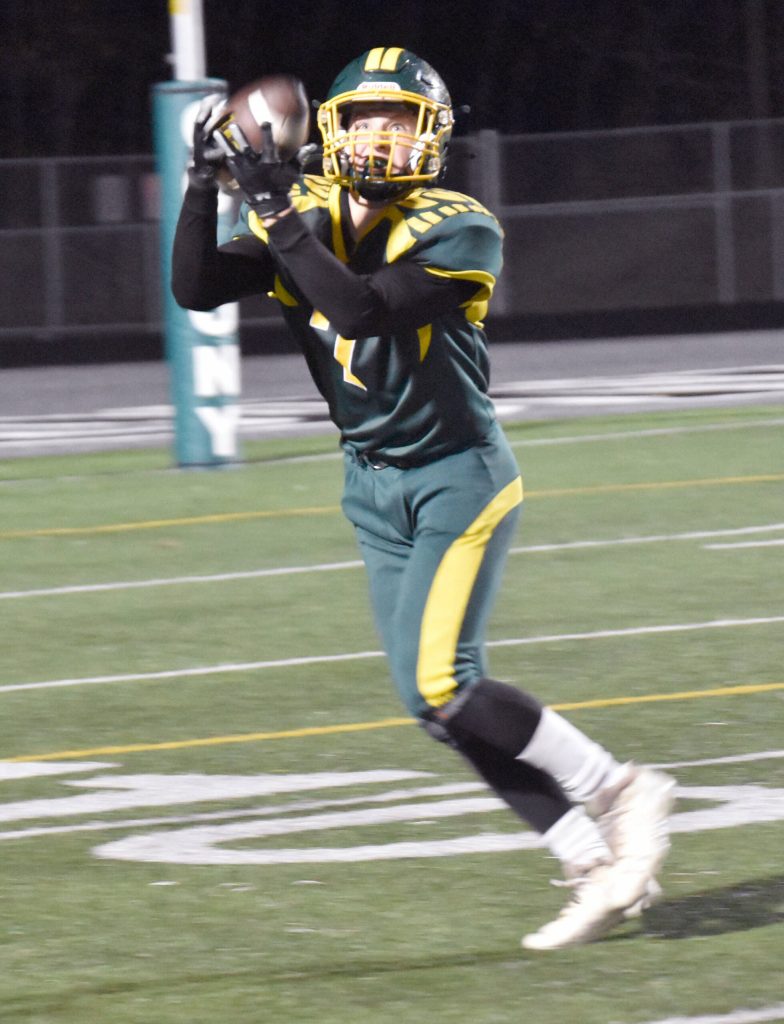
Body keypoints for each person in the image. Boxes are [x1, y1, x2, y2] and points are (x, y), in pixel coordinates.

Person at [172, 46, 676, 950]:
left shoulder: (459, 225)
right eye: (363, 118)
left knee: (448, 679)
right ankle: (590, 862)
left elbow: (361, 309)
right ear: (329, 129)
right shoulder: (312, 208)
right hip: (371, 485)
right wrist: (200, 184)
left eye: (397, 121)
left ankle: (618, 790)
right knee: (431, 702)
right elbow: (196, 287)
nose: (378, 136)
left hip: (456, 476)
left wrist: (275, 208)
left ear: (432, 137)